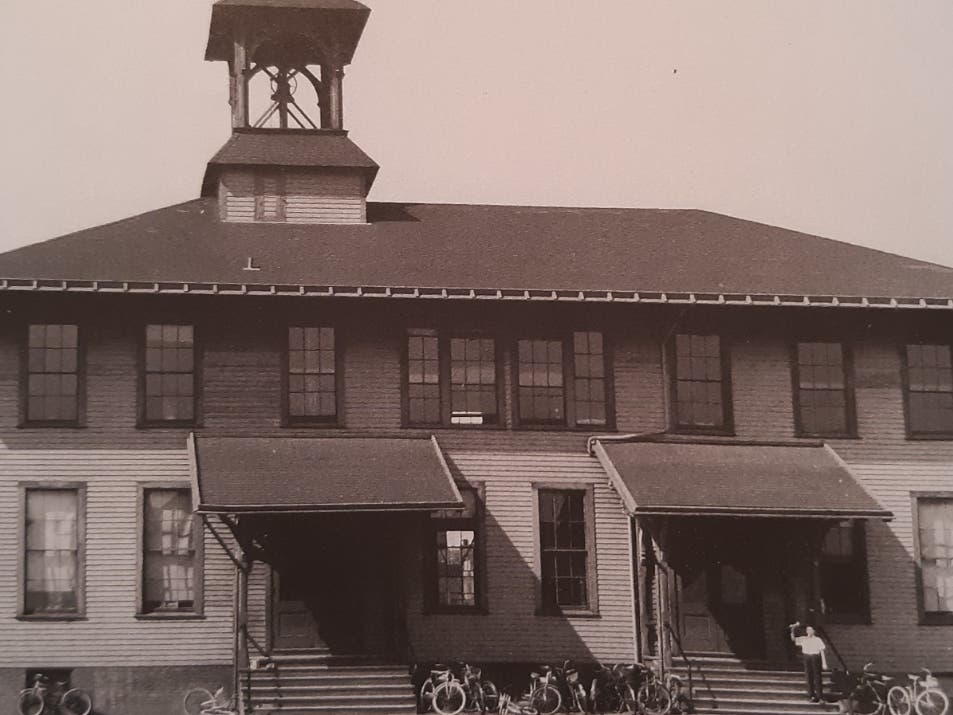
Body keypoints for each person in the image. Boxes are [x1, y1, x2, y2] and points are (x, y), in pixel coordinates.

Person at [789, 621, 828, 703]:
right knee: (809, 677)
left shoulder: (818, 639)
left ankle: (820, 696)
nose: (809, 631)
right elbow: (793, 639)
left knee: (817, 677)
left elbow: (822, 651)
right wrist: (793, 629)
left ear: (814, 631)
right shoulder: (803, 639)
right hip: (807, 657)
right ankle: (812, 696)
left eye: (810, 630)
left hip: (815, 657)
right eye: (807, 630)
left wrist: (824, 663)